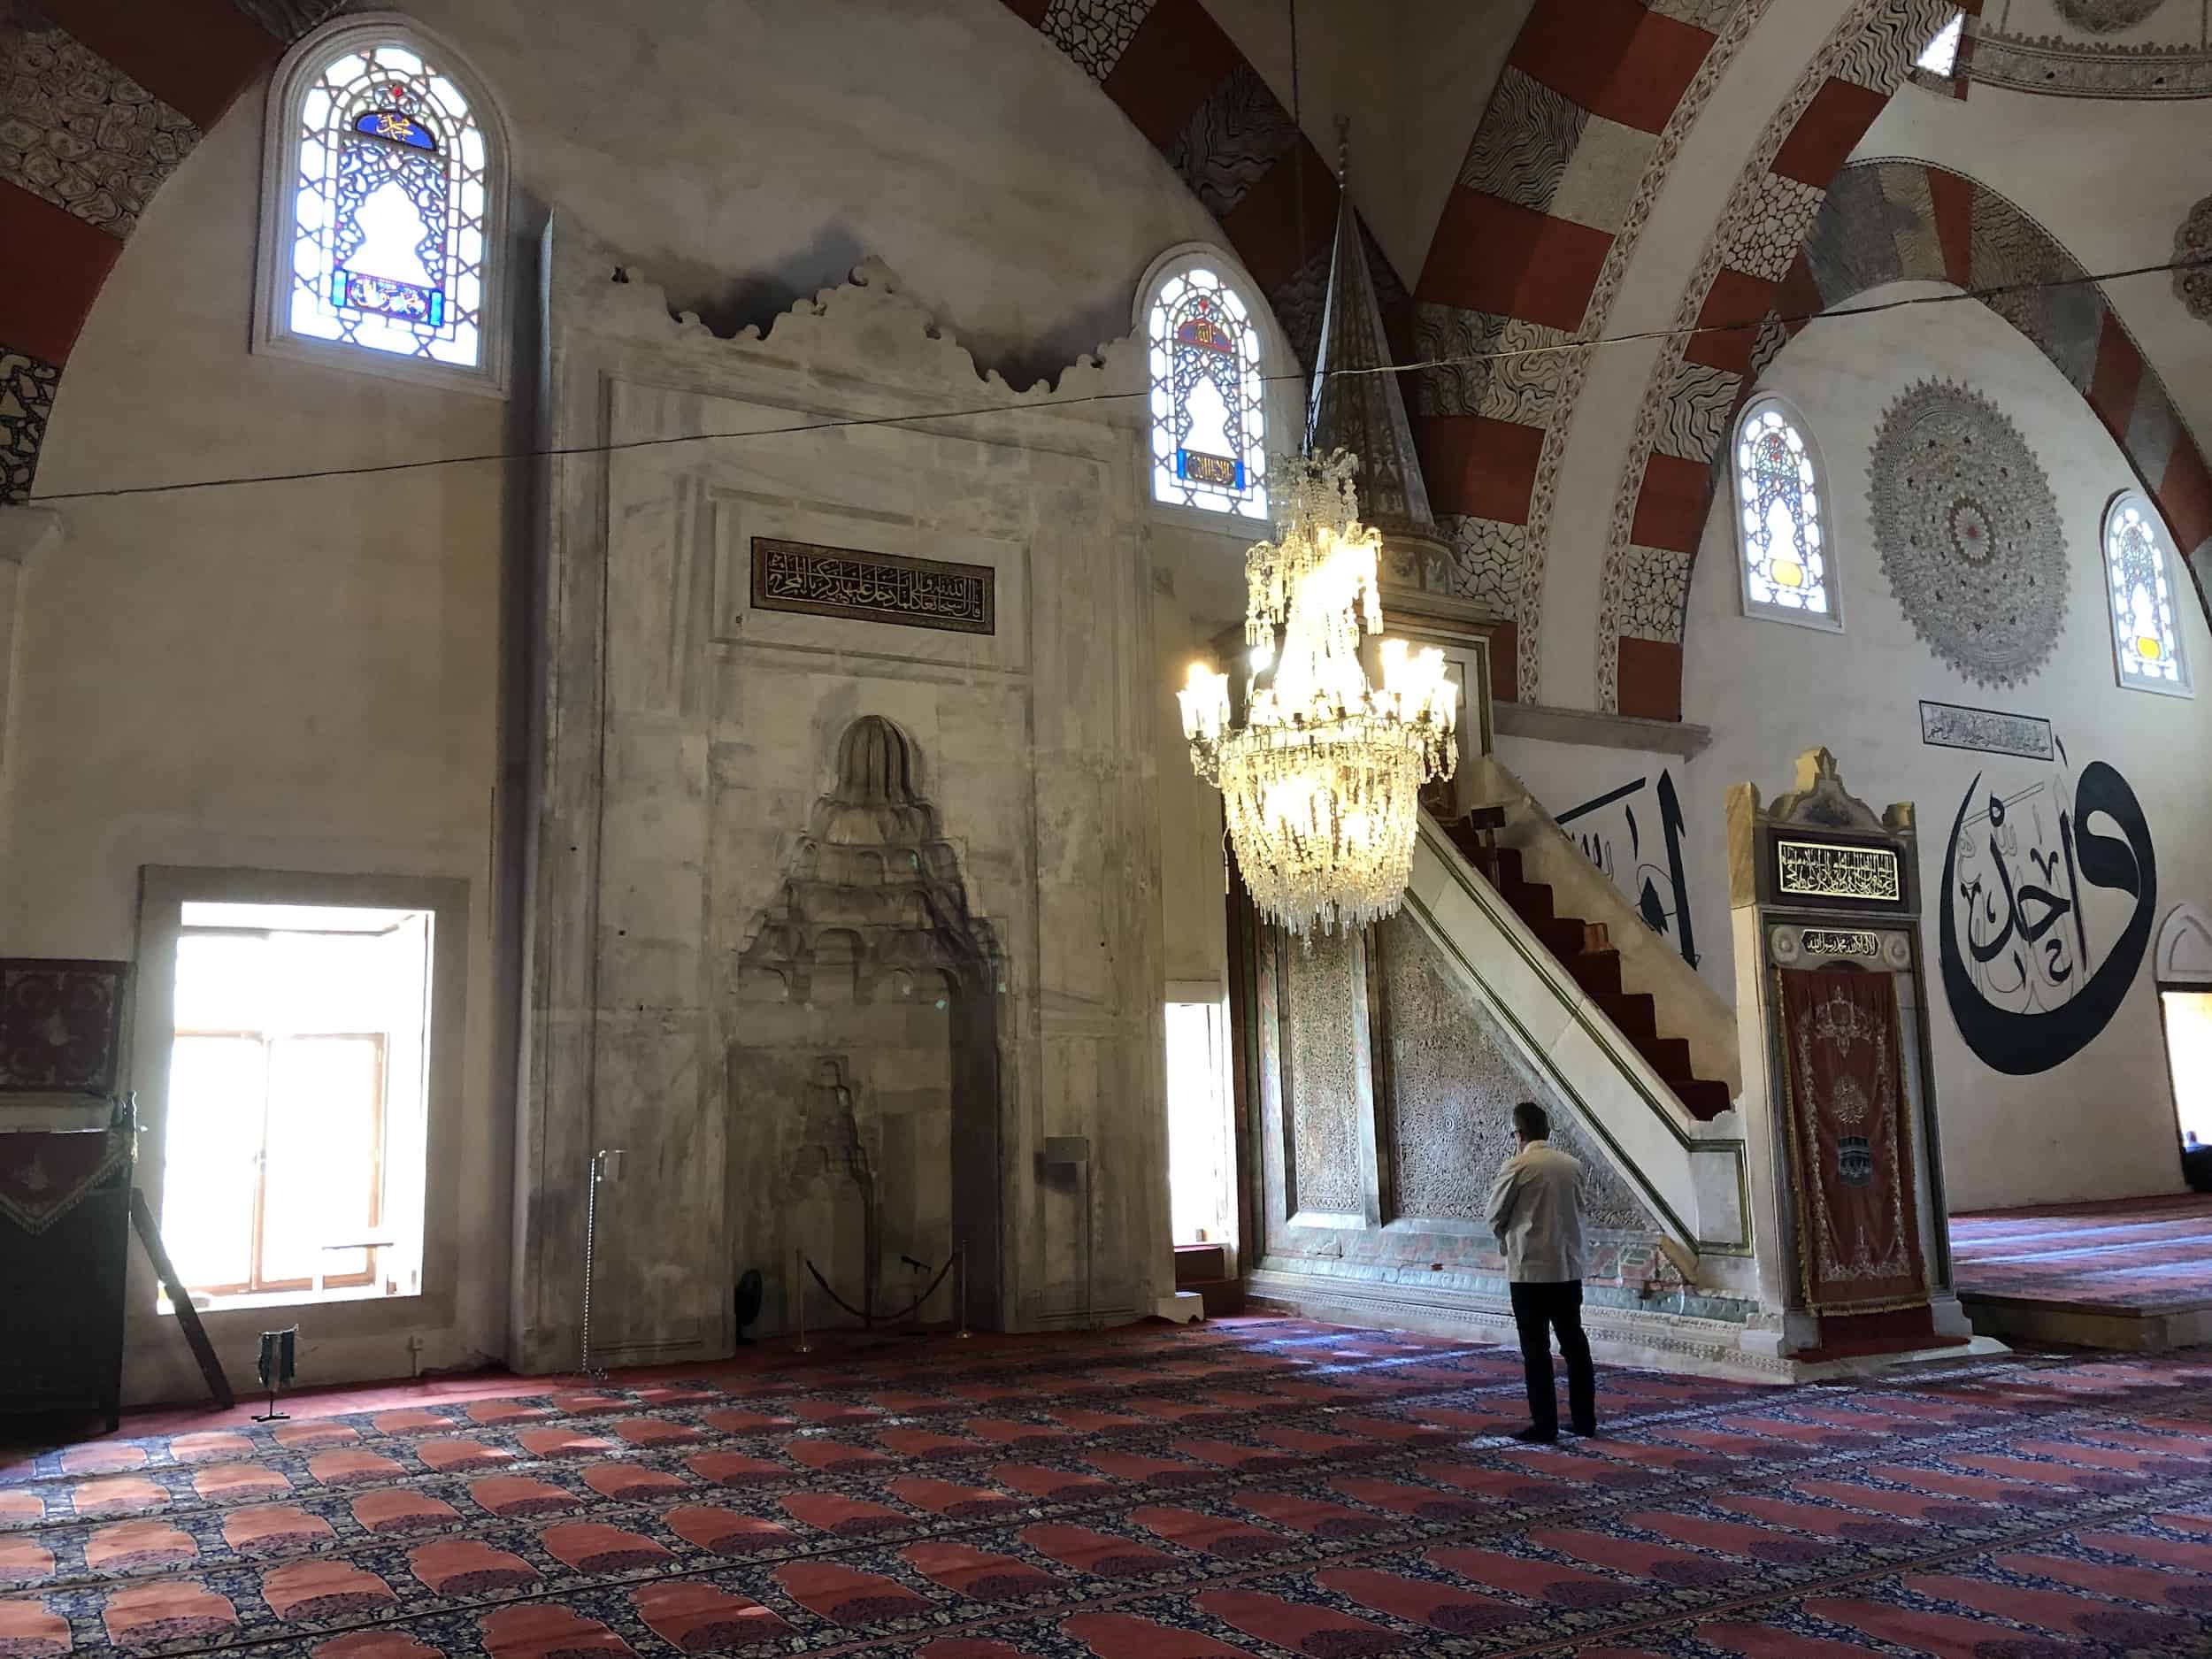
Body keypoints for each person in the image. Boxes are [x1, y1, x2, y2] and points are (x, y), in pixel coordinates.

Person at [1486, 1100, 1595, 1442]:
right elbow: (1581, 1208)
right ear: (1548, 1131)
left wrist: (1508, 1238)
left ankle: (1545, 1425)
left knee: (1535, 1351)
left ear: (1518, 1133)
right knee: (1574, 1345)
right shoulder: (1572, 1165)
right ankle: (1584, 1419)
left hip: (1529, 1272)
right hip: (1566, 1268)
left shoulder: (1518, 1166)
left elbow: (1494, 1215)